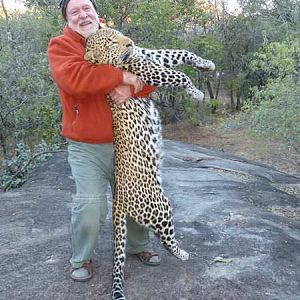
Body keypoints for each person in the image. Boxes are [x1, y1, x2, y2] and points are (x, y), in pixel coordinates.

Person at [48, 0, 160, 282]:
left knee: (136, 197)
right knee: (91, 204)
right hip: (86, 146)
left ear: (97, 13)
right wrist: (121, 77)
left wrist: (131, 88)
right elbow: (77, 79)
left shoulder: (116, 38)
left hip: (128, 140)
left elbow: (149, 76)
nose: (82, 14)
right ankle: (82, 257)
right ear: (67, 18)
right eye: (75, 11)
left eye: (87, 8)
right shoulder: (61, 46)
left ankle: (138, 246)